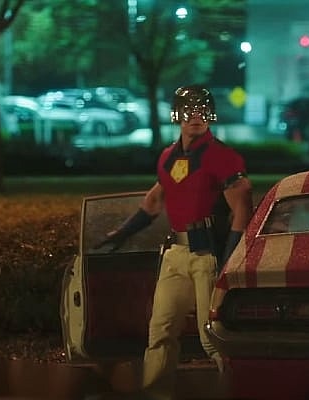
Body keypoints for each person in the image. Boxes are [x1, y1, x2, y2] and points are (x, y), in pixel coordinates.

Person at [96, 84, 253, 399]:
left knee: (213, 337)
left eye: (202, 110)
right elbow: (155, 200)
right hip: (176, 254)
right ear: (177, 114)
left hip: (208, 255)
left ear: (211, 114)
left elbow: (243, 206)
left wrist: (229, 259)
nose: (196, 116)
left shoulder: (222, 156)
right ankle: (155, 395)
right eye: (189, 110)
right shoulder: (168, 157)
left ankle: (239, 392)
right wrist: (122, 233)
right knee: (160, 332)